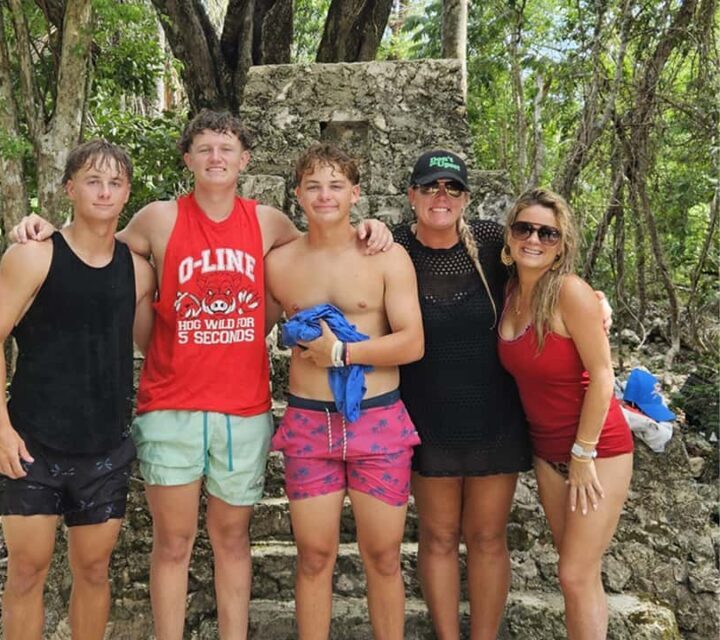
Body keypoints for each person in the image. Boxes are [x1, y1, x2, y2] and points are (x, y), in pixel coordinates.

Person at [9, 111, 392, 640]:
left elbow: (324, 241)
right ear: (187, 159)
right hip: (171, 406)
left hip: (243, 407)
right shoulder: (157, 219)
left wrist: (373, 227)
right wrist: (44, 229)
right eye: (205, 148)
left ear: (245, 160)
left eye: (226, 148)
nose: (216, 158)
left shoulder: (269, 224)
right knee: (173, 542)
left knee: (233, 540)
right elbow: (93, 246)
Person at [0, 140, 156, 640]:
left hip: (105, 447)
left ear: (127, 194)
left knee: (94, 570)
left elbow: (154, 343)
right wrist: (0, 429)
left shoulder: (138, 272)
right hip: (32, 442)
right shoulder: (33, 256)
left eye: (115, 183)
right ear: (70, 187)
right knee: (27, 570)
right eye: (93, 181)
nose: (104, 192)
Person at [266, 143, 424, 640]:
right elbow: (248, 329)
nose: (324, 195)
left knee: (384, 556)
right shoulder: (278, 262)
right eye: (313, 186)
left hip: (378, 420)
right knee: (314, 556)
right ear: (297, 194)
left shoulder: (386, 256)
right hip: (309, 423)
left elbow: (412, 342)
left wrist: (340, 352)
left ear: (355, 194)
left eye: (336, 185)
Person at [393, 151, 532, 640]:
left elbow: (543, 273)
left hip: (494, 418)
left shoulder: (493, 242)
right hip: (426, 418)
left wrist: (592, 299)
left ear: (467, 198)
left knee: (488, 537)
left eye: (452, 187)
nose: (441, 196)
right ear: (411, 195)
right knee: (437, 537)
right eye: (430, 186)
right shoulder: (393, 247)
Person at [497, 188, 633, 638]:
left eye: (548, 233)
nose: (534, 239)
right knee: (579, 573)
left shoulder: (570, 293)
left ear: (562, 244)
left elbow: (604, 375)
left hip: (596, 450)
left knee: (574, 573)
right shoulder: (510, 291)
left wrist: (583, 453)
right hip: (546, 451)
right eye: (524, 228)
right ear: (509, 235)